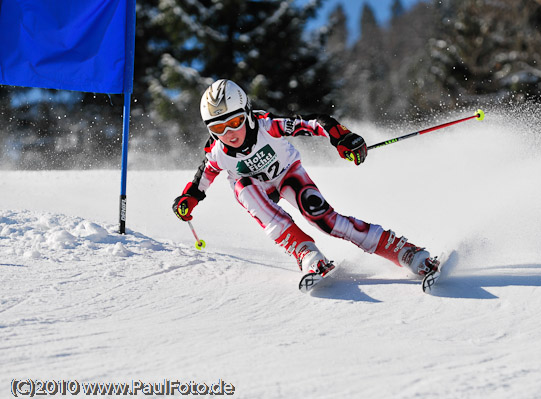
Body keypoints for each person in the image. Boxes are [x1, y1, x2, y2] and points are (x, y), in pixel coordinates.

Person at [172, 79, 438, 279]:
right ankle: (306, 252)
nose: (229, 133)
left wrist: (342, 137)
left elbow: (313, 123)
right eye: (218, 128)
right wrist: (189, 199)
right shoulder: (217, 151)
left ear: (248, 113)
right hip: (255, 187)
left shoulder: (267, 125)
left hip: (287, 174)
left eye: (235, 122)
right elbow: (203, 177)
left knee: (324, 220)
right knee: (245, 188)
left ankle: (404, 251)